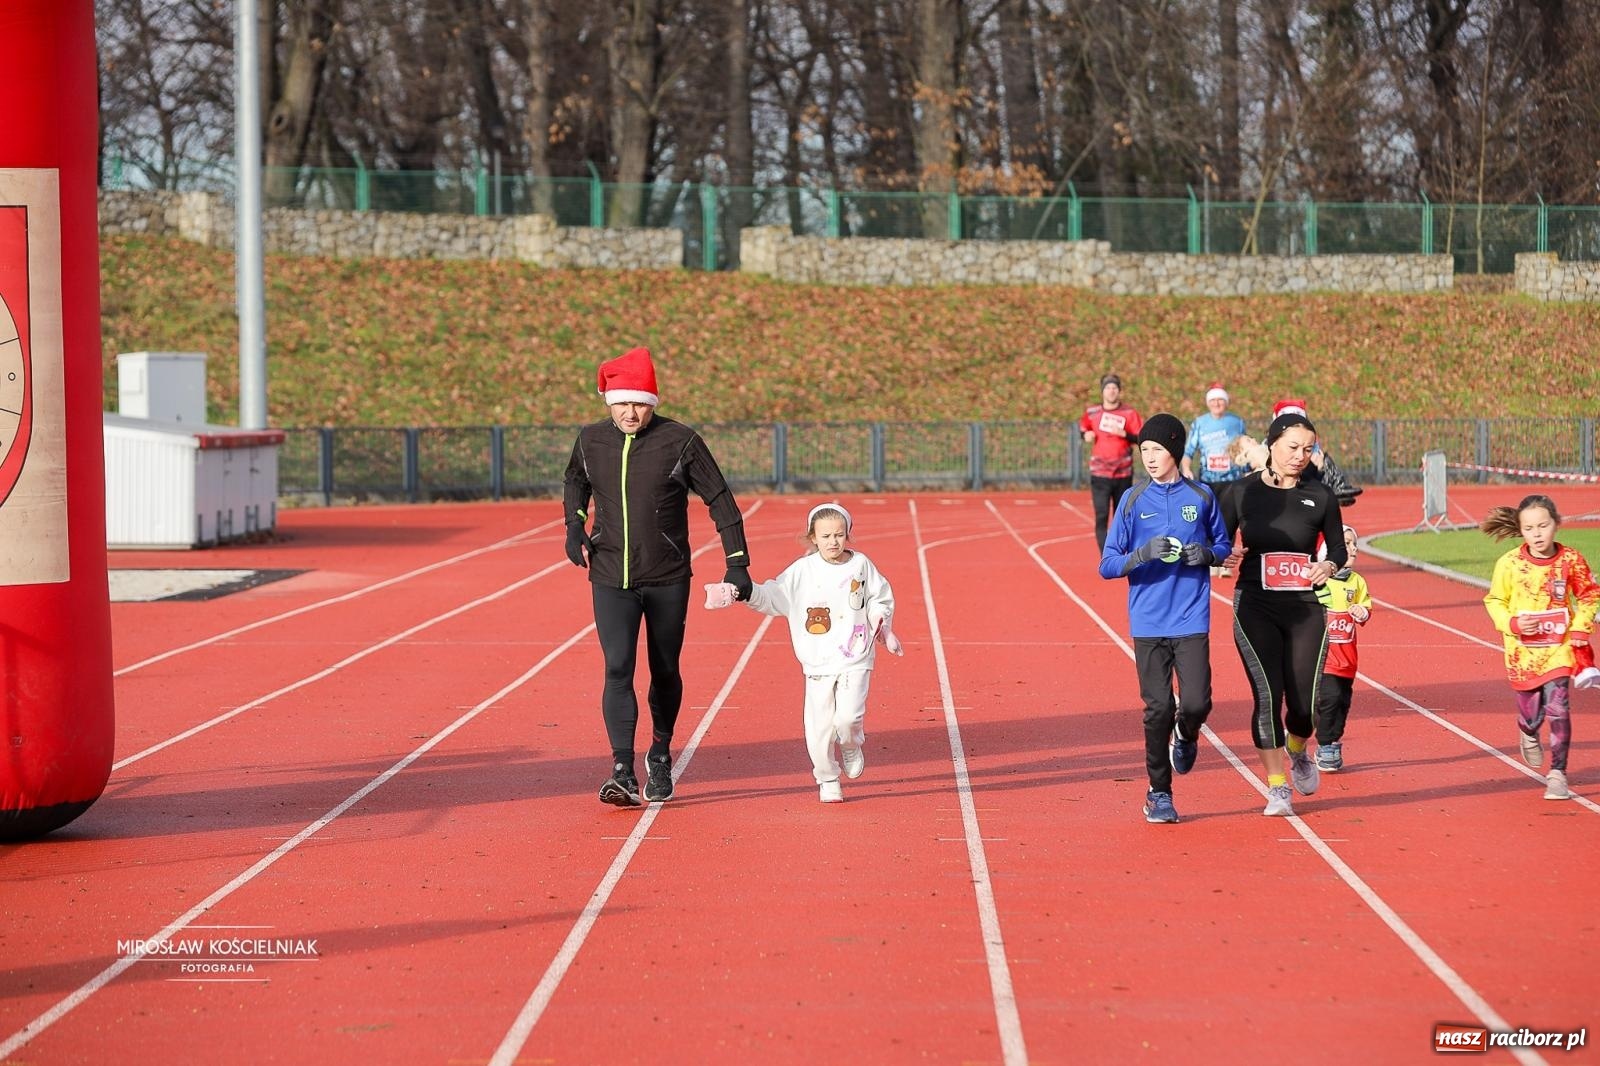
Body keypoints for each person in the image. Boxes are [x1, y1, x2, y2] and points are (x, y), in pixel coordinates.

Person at [563, 345, 753, 808]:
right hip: (610, 574)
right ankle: (622, 769)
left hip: (667, 576)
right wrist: (574, 524)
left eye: (639, 404)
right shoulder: (591, 440)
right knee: (617, 666)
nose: (630, 413)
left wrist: (737, 561)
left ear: (652, 403)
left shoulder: (680, 441)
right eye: (622, 403)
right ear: (609, 402)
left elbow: (719, 497)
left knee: (665, 667)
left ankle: (661, 753)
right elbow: (576, 481)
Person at [710, 503, 901, 803]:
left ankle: (851, 744)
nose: (833, 542)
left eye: (839, 535)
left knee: (849, 717)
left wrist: (881, 624)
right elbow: (773, 596)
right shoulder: (802, 571)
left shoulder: (861, 565)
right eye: (825, 536)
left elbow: (880, 597)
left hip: (855, 654)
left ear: (847, 534)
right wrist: (744, 591)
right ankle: (827, 778)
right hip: (817, 659)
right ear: (813, 537)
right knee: (819, 727)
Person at [1098, 414, 1231, 824]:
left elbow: (1223, 545)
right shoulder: (1133, 500)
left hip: (1191, 616)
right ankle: (1159, 793)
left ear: (1175, 449)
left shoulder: (1202, 496)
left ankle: (1186, 734)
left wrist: (1206, 555)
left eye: (1157, 449)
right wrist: (1141, 555)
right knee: (1157, 709)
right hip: (1148, 620)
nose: (1150, 458)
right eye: (1145, 451)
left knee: (1196, 703)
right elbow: (1107, 564)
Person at [1221, 410, 1348, 817]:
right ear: (1271, 443)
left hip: (1305, 607)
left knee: (1305, 706)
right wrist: (1225, 554)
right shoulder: (1241, 492)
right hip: (1255, 605)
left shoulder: (1321, 496)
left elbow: (1338, 548)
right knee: (1267, 694)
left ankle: (1297, 748)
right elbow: (1218, 541)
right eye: (1293, 447)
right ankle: (1277, 785)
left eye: (1308, 450)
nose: (1300, 456)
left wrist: (1328, 565)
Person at [1481, 494, 1600, 801]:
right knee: (1531, 713)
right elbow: (1495, 600)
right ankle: (1528, 730)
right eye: (1529, 528)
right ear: (1521, 530)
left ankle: (1558, 773)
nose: (1537, 534)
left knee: (1559, 707)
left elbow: (1588, 595)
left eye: (1543, 526)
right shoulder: (1510, 564)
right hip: (1523, 653)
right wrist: (1513, 623)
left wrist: (1581, 628)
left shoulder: (1571, 560)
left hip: (1559, 648)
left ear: (1556, 524)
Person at [1313, 524, 1373, 772]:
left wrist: (1362, 612)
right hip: (1322, 658)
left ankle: (1333, 738)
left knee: (1342, 703)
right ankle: (1325, 745)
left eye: (1355, 544)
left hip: (1347, 658)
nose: (1353, 549)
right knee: (1329, 698)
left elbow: (1365, 607)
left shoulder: (1357, 581)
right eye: (1346, 544)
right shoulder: (1318, 581)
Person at [1080, 373, 1144, 550]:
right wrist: (1085, 435)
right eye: (1108, 388)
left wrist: (1125, 434)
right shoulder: (1092, 413)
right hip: (1099, 473)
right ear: (1102, 391)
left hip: (1123, 472)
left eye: (1114, 388)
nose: (1111, 391)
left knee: (1121, 516)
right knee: (1101, 515)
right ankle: (1105, 555)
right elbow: (1083, 429)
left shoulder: (1129, 413)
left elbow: (1140, 437)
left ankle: (1119, 551)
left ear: (1119, 391)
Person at [1272, 398, 1362, 507]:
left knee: (1322, 460)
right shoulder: (1273, 441)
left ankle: (1336, 487)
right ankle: (1329, 491)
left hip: (1303, 473)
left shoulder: (1307, 437)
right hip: (1284, 477)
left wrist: (1317, 460)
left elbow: (1314, 452)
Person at [1181, 383, 1247, 488]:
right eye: (1212, 400)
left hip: (1233, 480)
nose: (1216, 404)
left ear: (1226, 402)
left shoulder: (1237, 422)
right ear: (1208, 403)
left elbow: (1245, 450)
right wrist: (1186, 469)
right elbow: (1188, 451)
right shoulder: (1199, 423)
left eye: (1220, 399)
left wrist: (1248, 472)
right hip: (1207, 480)